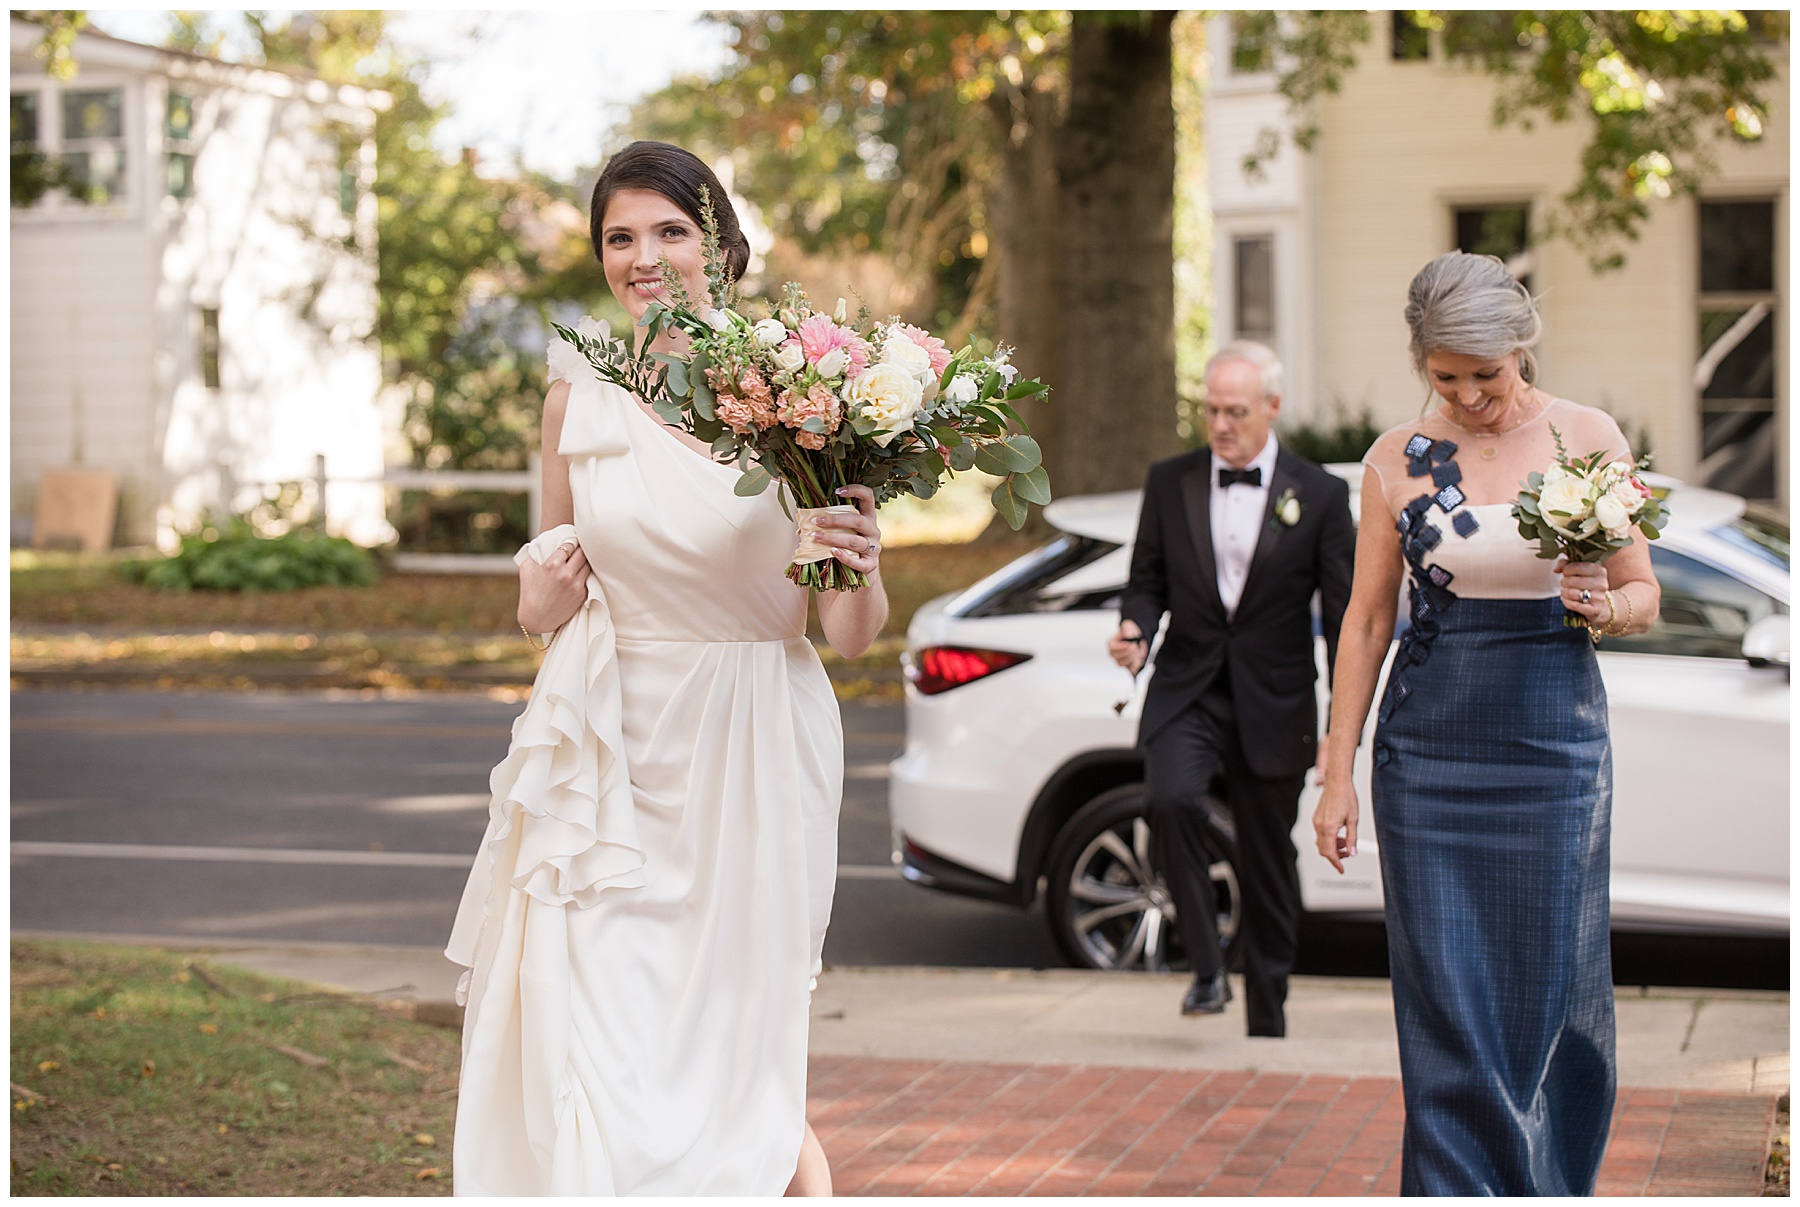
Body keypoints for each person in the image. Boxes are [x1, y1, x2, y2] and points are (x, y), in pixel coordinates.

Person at [445, 141, 886, 1196]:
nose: (644, 257)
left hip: (756, 752)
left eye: (670, 232)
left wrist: (862, 563)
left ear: (722, 247)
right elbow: (543, 594)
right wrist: (534, 605)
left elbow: (855, 633)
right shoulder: (576, 399)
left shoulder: (800, 396)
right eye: (620, 237)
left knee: (742, 1051)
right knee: (597, 1027)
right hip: (614, 758)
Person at [1312, 251, 1662, 1195]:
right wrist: (1336, 770)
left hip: (1553, 746)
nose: (1468, 396)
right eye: (1446, 377)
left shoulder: (1586, 437)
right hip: (1427, 753)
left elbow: (1644, 595)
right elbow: (1369, 620)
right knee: (1447, 1005)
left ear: (1523, 348)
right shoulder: (1393, 459)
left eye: (1486, 375)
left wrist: (1603, 606)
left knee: (1550, 993)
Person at [1108, 340, 1355, 1036]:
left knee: (1267, 853)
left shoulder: (1323, 494)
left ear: (1272, 409)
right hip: (1188, 685)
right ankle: (1208, 966)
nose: (1221, 424)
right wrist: (1135, 626)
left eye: (1237, 411)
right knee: (1170, 798)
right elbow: (1147, 578)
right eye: (1212, 410)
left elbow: (1345, 622)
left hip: (1275, 700)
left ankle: (1268, 1012)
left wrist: (1340, 726)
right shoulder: (1171, 481)